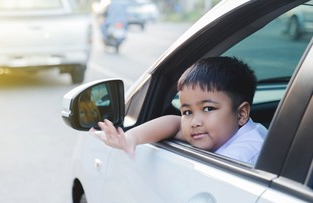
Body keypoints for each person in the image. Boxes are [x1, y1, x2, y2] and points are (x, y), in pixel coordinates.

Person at [90, 56, 268, 165]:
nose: (195, 122)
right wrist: (130, 138)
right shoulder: (223, 130)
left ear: (242, 114)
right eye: (187, 112)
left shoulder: (243, 156)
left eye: (208, 108)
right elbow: (174, 124)